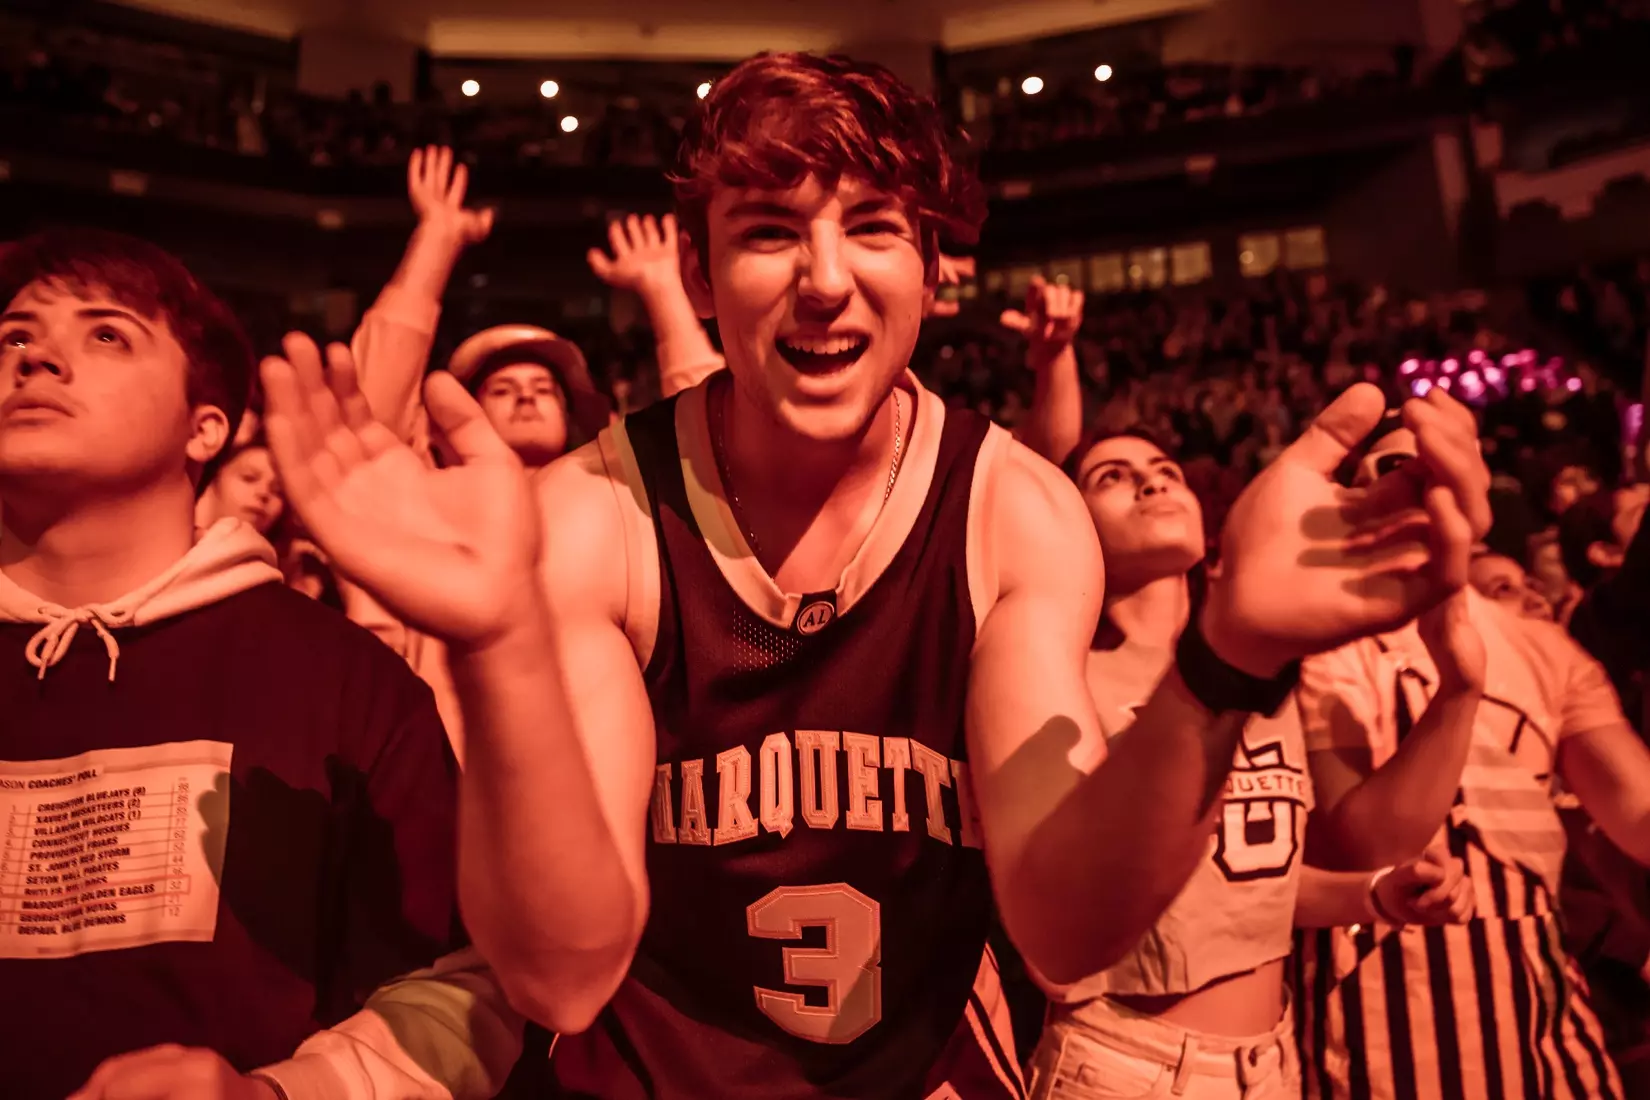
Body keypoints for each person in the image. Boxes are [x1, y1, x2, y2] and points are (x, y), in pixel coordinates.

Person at [262, 52, 1491, 1099]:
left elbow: (1065, 927)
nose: (827, 276)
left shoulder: (1012, 505)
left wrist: (1226, 663)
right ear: (698, 279)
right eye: (768, 231)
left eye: (873, 226)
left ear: (935, 271)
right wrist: (502, 642)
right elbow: (564, 972)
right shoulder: (595, 509)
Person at [0, 229, 480, 1099]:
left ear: (206, 425)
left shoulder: (343, 679)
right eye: (14, 337)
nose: (37, 362)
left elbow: (457, 982)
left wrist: (278, 1095)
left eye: (106, 334)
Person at [1027, 428, 1472, 1100]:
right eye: (1111, 476)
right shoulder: (1060, 674)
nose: (1151, 482)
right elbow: (1054, 897)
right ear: (1068, 523)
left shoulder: (1262, 677)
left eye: (1165, 469)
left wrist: (1374, 893)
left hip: (1271, 1061)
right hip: (1125, 1063)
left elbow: (1244, 891)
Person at [1295, 420, 1650, 1100]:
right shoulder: (1319, 636)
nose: (1422, 479)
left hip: (1544, 1022)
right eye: (1395, 465)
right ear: (1354, 501)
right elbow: (1357, 843)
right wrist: (1459, 690)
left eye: (1443, 462)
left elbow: (1634, 810)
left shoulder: (1544, 648)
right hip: (1380, 1024)